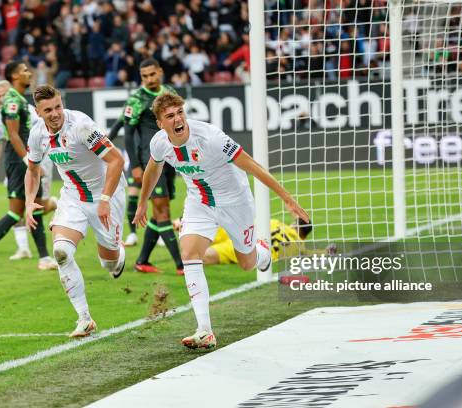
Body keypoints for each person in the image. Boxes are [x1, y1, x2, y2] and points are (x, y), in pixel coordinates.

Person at [134, 93, 309, 350]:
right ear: (160, 123)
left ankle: (262, 254)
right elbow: (153, 168)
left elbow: (251, 165)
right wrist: (141, 203)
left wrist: (288, 199)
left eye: (180, 112)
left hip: (235, 203)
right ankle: (204, 330)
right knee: (190, 254)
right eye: (170, 116)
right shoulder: (160, 142)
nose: (178, 119)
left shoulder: (211, 137)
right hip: (199, 202)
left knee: (247, 263)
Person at [25, 84, 127, 338]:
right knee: (61, 252)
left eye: (58, 106)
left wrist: (104, 198)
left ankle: (117, 255)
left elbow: (116, 160)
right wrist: (29, 201)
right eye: (48, 110)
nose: (55, 113)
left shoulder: (82, 125)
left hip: (107, 193)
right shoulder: (37, 134)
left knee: (109, 262)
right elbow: (33, 169)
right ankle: (84, 318)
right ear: (38, 112)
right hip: (72, 197)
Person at [0, 62, 56, 273]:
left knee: (34, 207)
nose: (29, 73)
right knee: (16, 212)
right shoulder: (11, 99)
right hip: (18, 161)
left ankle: (44, 257)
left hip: (24, 158)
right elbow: (13, 134)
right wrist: (29, 161)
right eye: (25, 71)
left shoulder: (18, 99)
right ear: (15, 76)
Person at [109, 58, 183, 275]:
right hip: (149, 160)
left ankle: (142, 261)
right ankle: (182, 265)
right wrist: (135, 166)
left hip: (170, 159)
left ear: (160, 72)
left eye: (152, 74)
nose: (149, 79)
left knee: (159, 211)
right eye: (145, 76)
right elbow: (129, 134)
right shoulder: (136, 99)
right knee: (162, 211)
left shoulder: (168, 92)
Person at [0, 79, 58, 261]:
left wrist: (35, 160)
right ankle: (24, 248)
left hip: (38, 158)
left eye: (5, 94)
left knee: (38, 204)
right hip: (18, 162)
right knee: (17, 205)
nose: (2, 98)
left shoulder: (25, 108)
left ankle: (56, 204)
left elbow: (42, 129)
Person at [203, 218, 312, 266]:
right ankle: (187, 263)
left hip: (243, 231)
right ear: (304, 236)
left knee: (202, 235)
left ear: (294, 224)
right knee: (206, 255)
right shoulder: (298, 247)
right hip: (252, 248)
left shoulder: (277, 223)